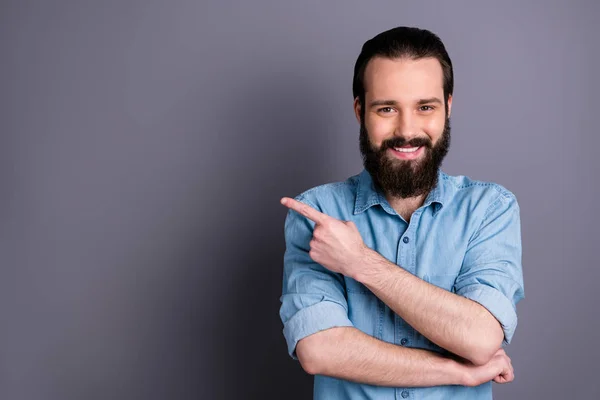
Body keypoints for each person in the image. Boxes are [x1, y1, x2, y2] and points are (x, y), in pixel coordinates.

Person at [278, 26, 525, 399]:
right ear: (360, 110)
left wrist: (359, 262)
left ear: (448, 107)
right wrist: (456, 371)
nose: (407, 130)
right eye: (387, 108)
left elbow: (480, 338)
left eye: (425, 107)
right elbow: (320, 349)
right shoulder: (317, 213)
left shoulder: (490, 210)